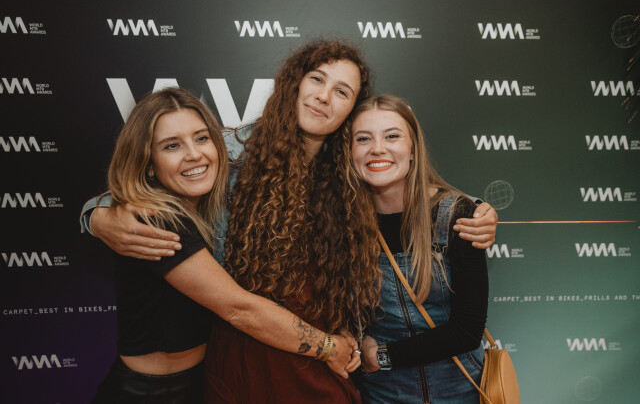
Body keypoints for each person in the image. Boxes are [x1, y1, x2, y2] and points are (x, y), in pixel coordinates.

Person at [81, 41, 498, 403]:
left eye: (342, 91)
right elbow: (145, 181)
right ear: (295, 82)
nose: (323, 97)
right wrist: (98, 216)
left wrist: (476, 210)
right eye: (317, 79)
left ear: (351, 110)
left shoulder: (349, 172)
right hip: (242, 359)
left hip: (321, 369)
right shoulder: (232, 149)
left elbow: (407, 183)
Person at [91, 87, 357, 404]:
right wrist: (328, 347)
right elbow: (239, 309)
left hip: (202, 382)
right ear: (148, 163)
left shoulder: (211, 209)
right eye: (172, 145)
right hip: (149, 394)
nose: (194, 154)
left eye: (202, 138)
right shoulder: (156, 219)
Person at [345, 95, 489, 403]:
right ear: (350, 151)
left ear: (413, 149)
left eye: (392, 136)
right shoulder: (341, 224)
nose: (377, 148)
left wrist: (382, 356)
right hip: (381, 393)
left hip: (460, 389)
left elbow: (467, 330)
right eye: (363, 138)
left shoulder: (457, 214)